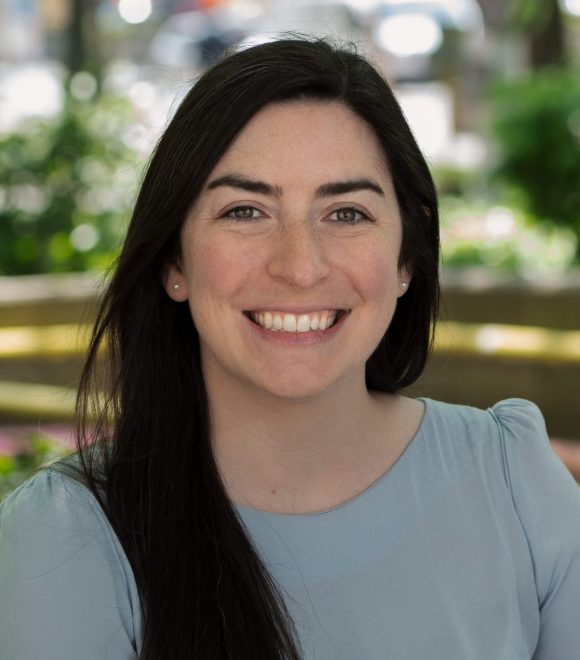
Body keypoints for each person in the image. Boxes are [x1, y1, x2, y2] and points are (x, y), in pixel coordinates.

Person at [0, 37, 579, 660]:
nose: (300, 267)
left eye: (347, 213)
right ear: (175, 261)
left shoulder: (515, 481)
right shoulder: (65, 536)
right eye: (246, 211)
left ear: (407, 258)